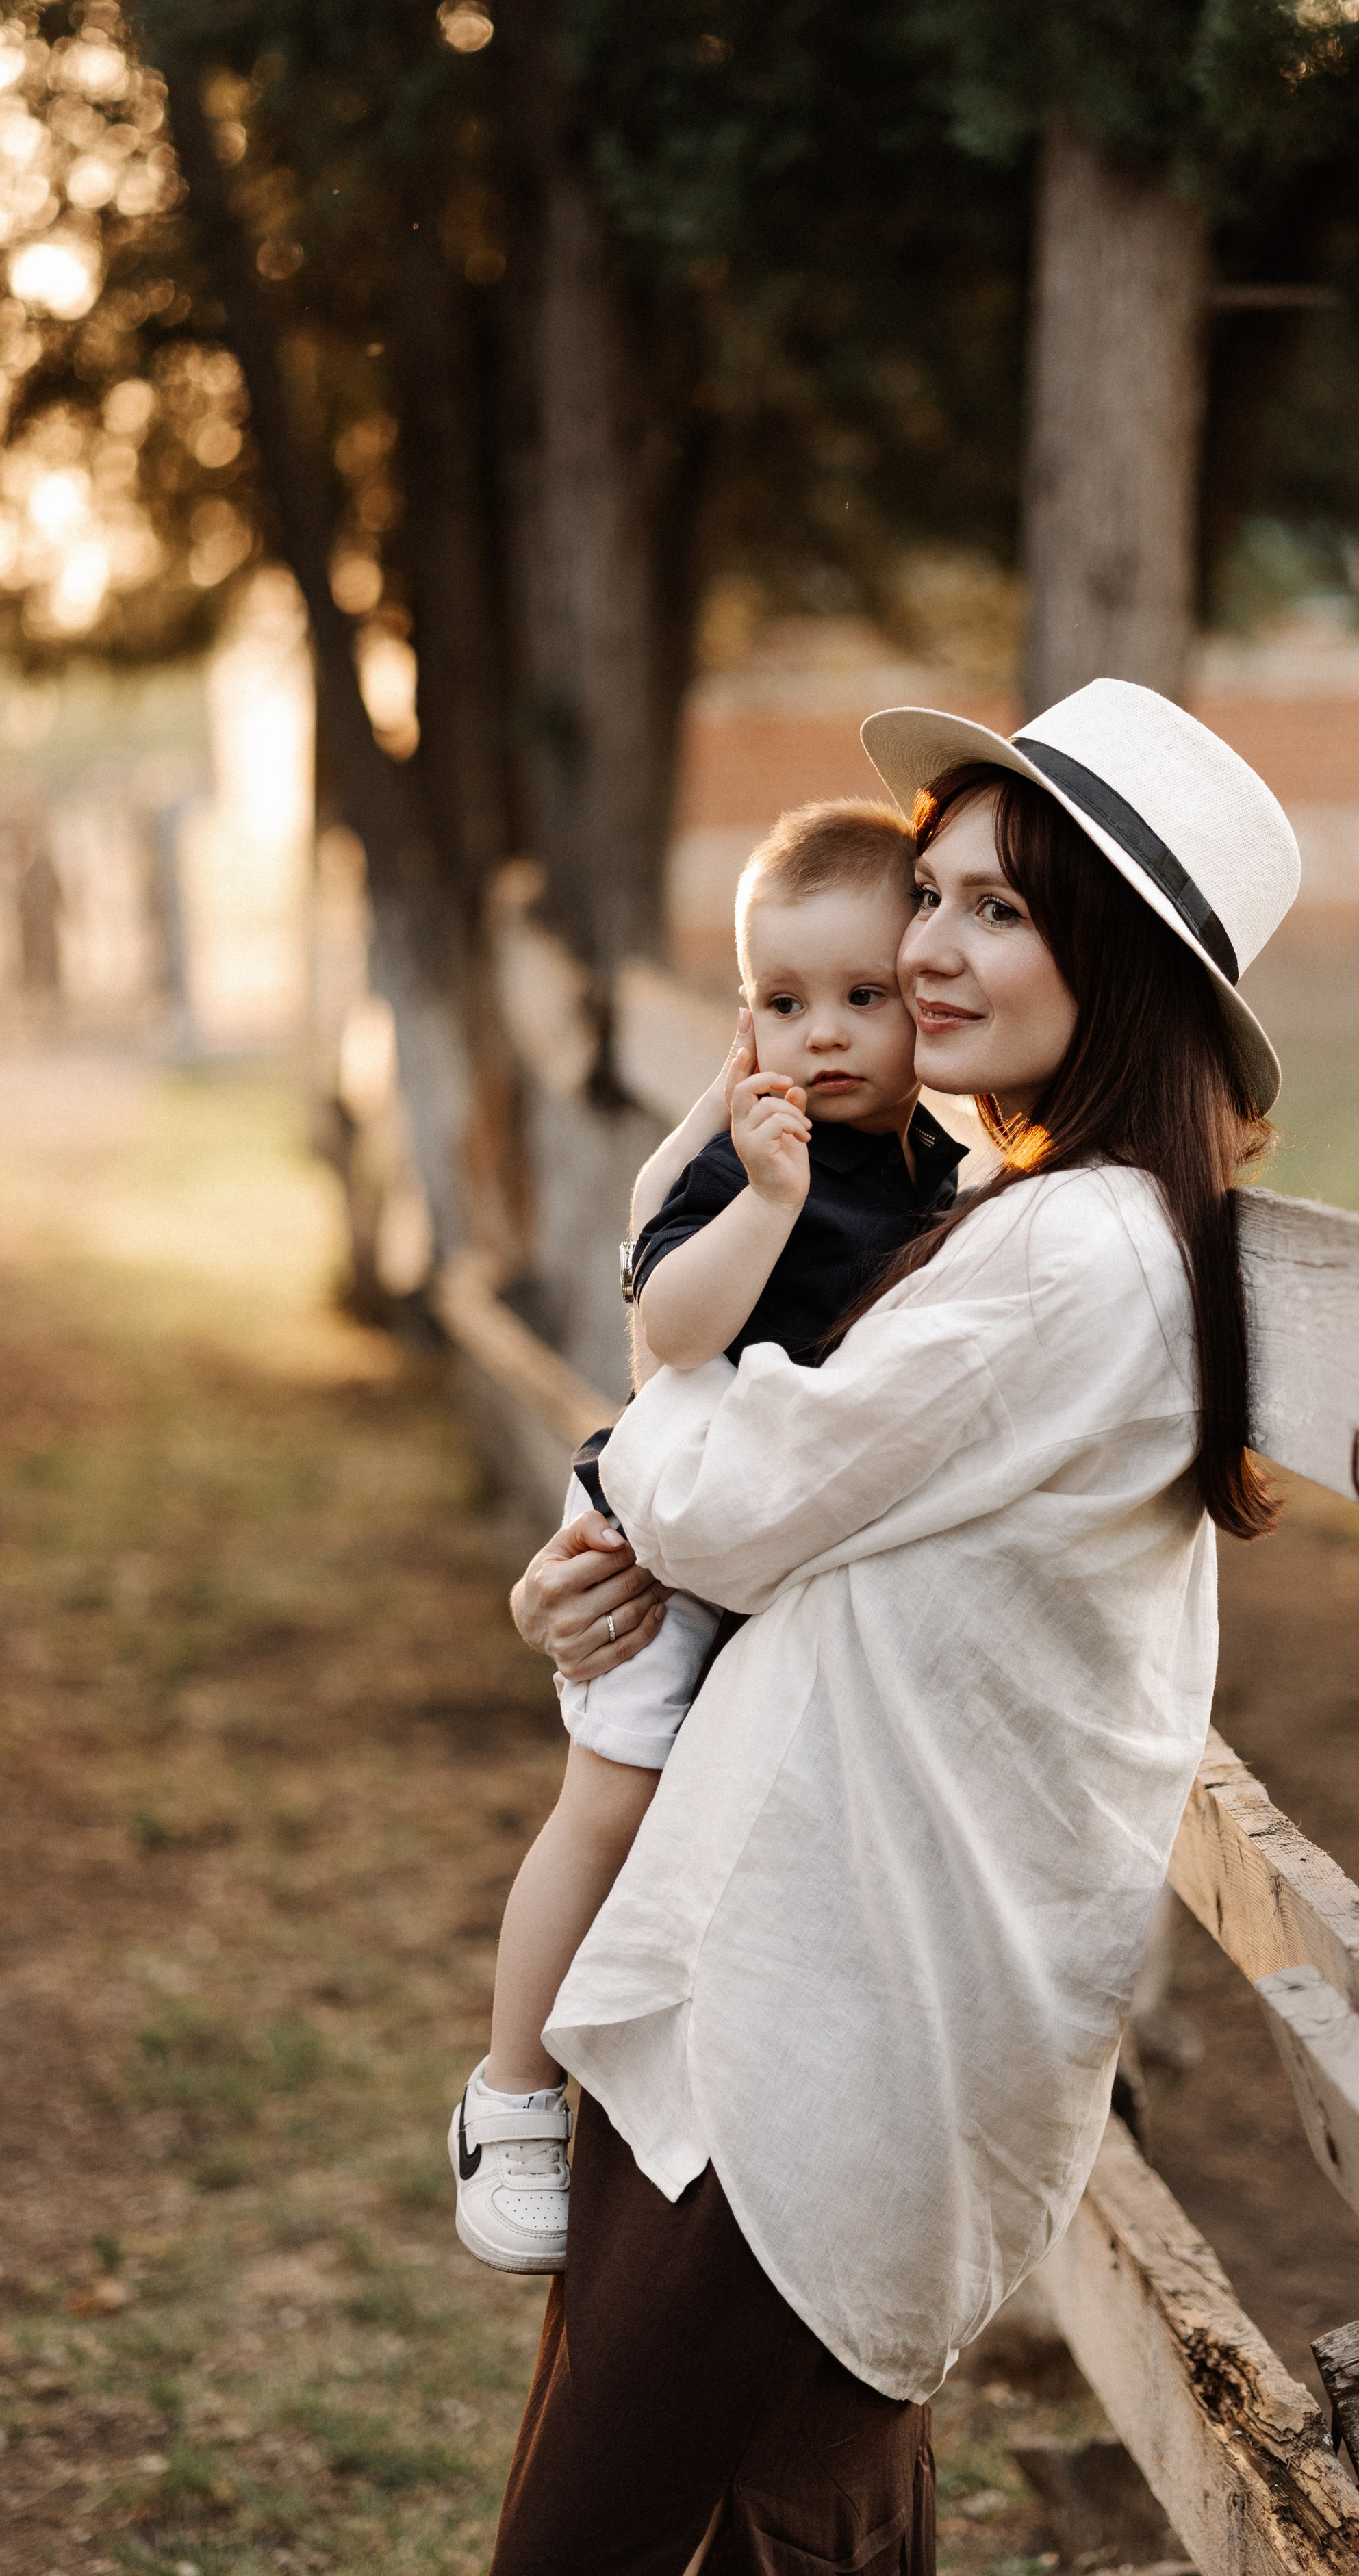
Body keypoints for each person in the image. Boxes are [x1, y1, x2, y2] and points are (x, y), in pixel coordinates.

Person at [499, 677, 1301, 2576]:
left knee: (609, 2533)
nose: (928, 949)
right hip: (784, 1983)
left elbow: (731, 1491)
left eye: (999, 911)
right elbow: (773, 1519)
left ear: (1119, 964)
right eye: (929, 894)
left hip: (813, 2028)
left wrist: (640, 1415)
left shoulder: (1068, 1256)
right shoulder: (1015, 1212)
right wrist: (612, 1554)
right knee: (811, 2522)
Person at [450, 799, 966, 2275]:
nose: (825, 1036)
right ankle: (511, 2097)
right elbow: (665, 1336)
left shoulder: (943, 1171)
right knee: (611, 1805)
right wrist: (765, 1193)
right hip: (644, 1543)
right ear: (743, 1021)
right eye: (783, 1003)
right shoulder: (747, 1158)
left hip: (767, 1549)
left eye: (865, 999)